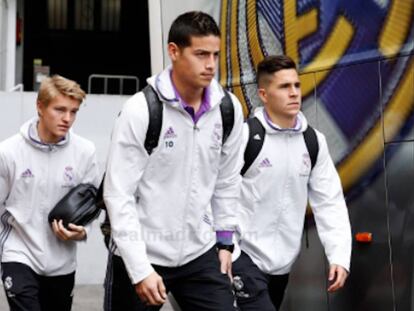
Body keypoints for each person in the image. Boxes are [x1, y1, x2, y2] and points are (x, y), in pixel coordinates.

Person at [103, 11, 244, 311]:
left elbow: (228, 180)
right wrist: (140, 269)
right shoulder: (142, 110)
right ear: (174, 52)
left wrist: (225, 241)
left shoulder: (228, 110)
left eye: (216, 55)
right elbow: (118, 194)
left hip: (199, 252)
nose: (210, 65)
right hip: (143, 251)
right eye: (201, 54)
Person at [232, 55, 352, 310]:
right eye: (284, 87)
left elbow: (329, 202)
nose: (294, 93)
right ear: (264, 95)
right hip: (243, 257)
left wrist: (339, 256)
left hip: (281, 266)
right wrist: (227, 249)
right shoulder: (245, 137)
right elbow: (217, 194)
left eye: (296, 85)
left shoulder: (313, 141)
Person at [0, 75, 99, 311]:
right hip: (19, 254)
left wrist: (81, 232)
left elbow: (92, 205)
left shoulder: (85, 151)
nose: (67, 118)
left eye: (73, 111)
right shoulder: (9, 152)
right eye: (60, 109)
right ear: (40, 107)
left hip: (62, 263)